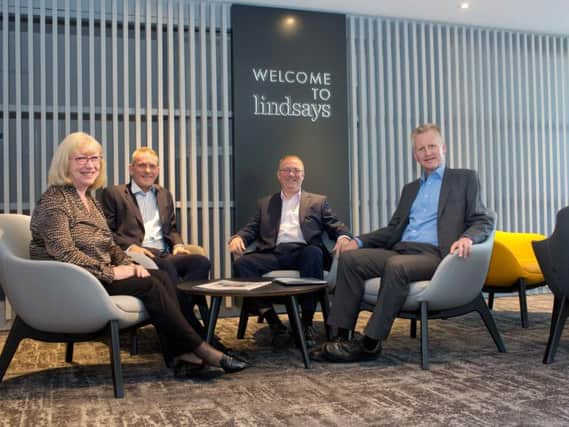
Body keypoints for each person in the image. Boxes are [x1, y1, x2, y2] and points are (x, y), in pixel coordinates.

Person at [29, 132, 247, 377]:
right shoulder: (55, 200)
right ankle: (202, 350)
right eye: (81, 159)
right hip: (77, 282)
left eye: (95, 158)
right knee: (153, 286)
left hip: (96, 276)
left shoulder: (88, 200)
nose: (90, 165)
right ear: (64, 162)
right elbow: (63, 252)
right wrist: (112, 271)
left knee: (161, 278)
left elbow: (109, 245)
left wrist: (130, 264)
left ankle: (184, 354)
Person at [316, 123, 494, 363]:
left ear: (443, 148)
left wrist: (467, 237)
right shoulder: (410, 189)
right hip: (401, 250)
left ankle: (370, 343)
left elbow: (483, 218)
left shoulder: (464, 178)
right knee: (350, 258)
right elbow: (392, 231)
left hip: (435, 255)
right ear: (415, 155)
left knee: (396, 266)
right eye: (421, 149)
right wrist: (358, 241)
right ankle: (340, 337)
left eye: (432, 146)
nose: (427, 152)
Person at [228, 154, 352, 347]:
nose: (291, 174)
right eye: (287, 170)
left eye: (296, 171)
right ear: (279, 175)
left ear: (303, 175)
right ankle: (275, 324)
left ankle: (306, 323)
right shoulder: (266, 203)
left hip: (304, 252)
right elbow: (251, 228)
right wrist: (238, 237)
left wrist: (344, 237)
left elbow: (336, 225)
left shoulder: (318, 202)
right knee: (242, 264)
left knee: (314, 253)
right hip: (274, 252)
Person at [101, 147, 211, 339]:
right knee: (166, 265)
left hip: (164, 253)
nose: (147, 170)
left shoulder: (164, 194)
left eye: (152, 166)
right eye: (142, 165)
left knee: (200, 262)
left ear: (158, 170)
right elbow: (105, 232)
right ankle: (193, 330)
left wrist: (178, 245)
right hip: (136, 254)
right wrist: (129, 247)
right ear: (131, 168)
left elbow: (172, 230)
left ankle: (179, 318)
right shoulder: (114, 193)